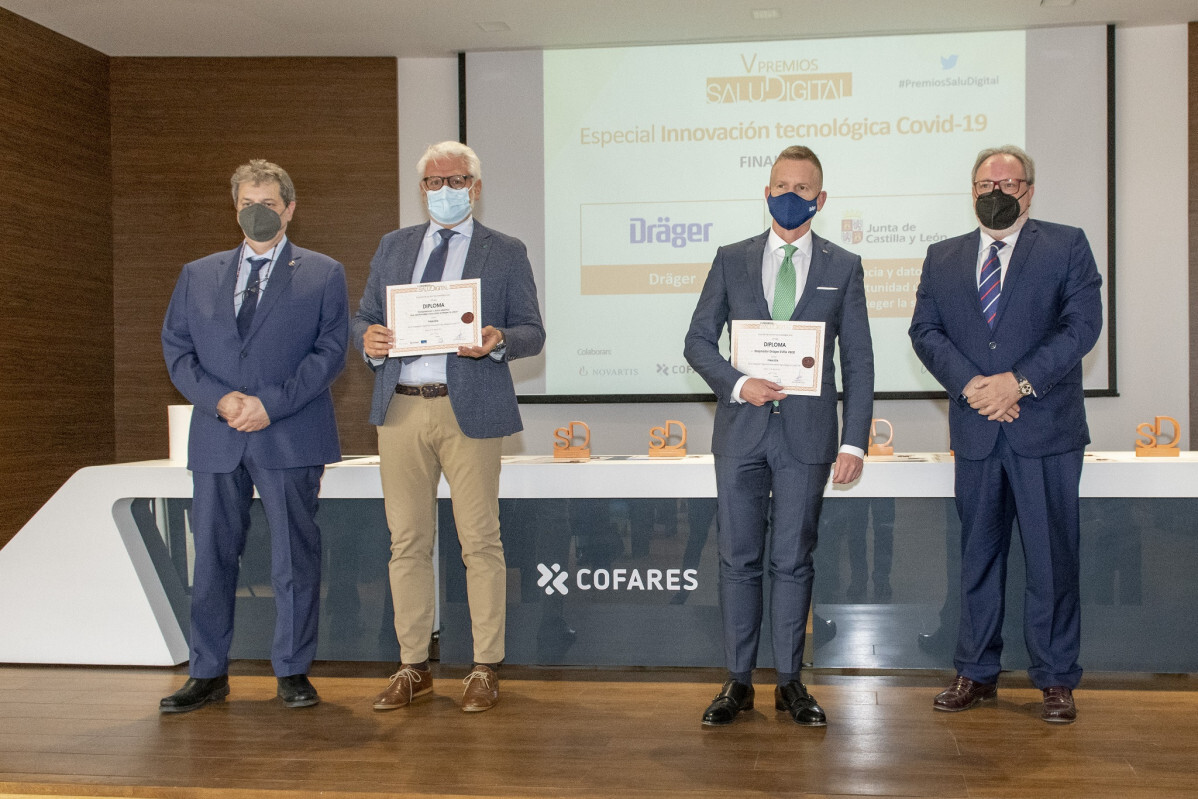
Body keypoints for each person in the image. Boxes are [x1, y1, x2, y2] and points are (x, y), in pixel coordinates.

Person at [909, 145, 1103, 724]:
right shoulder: (942, 256)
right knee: (977, 558)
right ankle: (975, 671)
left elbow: (1082, 326)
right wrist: (973, 386)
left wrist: (1017, 383)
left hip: (1045, 431)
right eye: (985, 183)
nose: (996, 192)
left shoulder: (1067, 245)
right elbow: (925, 330)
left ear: (1029, 191)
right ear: (971, 191)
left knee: (1051, 560)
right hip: (976, 432)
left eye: (1008, 183)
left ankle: (1056, 677)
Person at [684, 145, 874, 727]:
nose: (791, 196)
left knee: (793, 560)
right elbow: (697, 342)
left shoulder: (844, 266)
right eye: (782, 186)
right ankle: (737, 681)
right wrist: (739, 384)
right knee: (737, 559)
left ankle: (790, 681)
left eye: (803, 188)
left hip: (808, 438)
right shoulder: (731, 259)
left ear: (821, 198)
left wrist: (854, 440)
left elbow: (859, 360)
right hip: (742, 432)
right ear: (766, 193)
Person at [352, 141, 544, 713]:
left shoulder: (504, 251)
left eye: (455, 181)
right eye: (434, 182)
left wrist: (500, 339)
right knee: (407, 541)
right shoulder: (393, 246)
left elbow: (532, 330)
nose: (444, 191)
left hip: (472, 407)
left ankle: (484, 667)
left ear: (475, 188)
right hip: (402, 408)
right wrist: (367, 339)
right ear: (422, 190)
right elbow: (364, 317)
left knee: (479, 540)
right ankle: (413, 666)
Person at [160, 159, 349, 712]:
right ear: (234, 208)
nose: (257, 213)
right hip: (217, 435)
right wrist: (220, 401)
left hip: (288, 433)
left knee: (294, 558)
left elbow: (330, 352)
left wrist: (270, 405)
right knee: (211, 558)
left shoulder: (323, 272)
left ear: (289, 210)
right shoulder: (197, 273)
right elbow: (178, 349)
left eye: (268, 204)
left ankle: (292, 670)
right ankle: (206, 672)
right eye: (247, 204)